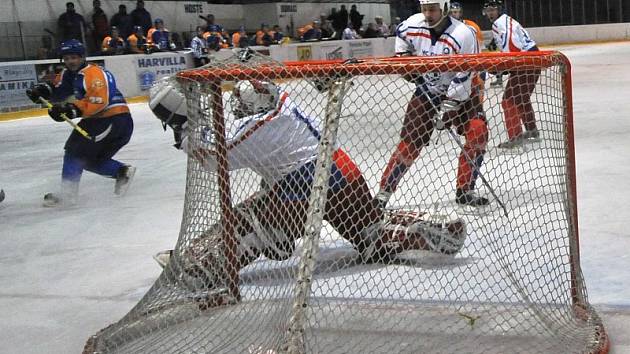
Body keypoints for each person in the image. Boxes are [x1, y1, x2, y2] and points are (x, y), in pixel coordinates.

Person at [148, 77, 467, 281]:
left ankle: (199, 266)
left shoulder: (261, 129)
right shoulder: (283, 101)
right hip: (344, 173)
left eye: (241, 106)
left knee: (252, 220)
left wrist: (184, 124)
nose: (236, 109)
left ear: (255, 108)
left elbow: (214, 155)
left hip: (305, 189)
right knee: (369, 234)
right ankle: (417, 229)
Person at [377, 0, 489, 208]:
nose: (428, 14)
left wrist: (450, 106)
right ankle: (384, 193)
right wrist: (406, 63)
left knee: (478, 132)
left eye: (433, 10)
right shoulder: (412, 24)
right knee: (409, 143)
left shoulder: (464, 34)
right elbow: (401, 38)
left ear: (444, 9)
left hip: (462, 93)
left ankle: (465, 190)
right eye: (424, 9)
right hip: (428, 89)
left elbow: (466, 72)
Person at [24, 40, 135, 207]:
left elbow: (100, 102)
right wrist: (42, 91)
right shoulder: (69, 74)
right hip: (107, 121)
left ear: (83, 57)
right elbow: (58, 90)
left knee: (74, 153)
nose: (70, 61)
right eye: (67, 58)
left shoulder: (94, 73)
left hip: (111, 120)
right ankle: (121, 172)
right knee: (88, 160)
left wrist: (71, 110)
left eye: (74, 57)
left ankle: (68, 196)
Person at [484, 0, 541, 148]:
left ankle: (515, 137)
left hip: (524, 62)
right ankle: (532, 131)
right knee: (522, 98)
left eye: (493, 9)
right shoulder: (506, 20)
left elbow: (513, 47)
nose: (490, 13)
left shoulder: (499, 24)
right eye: (488, 10)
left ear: (500, 9)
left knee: (508, 100)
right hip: (532, 59)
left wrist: (504, 66)